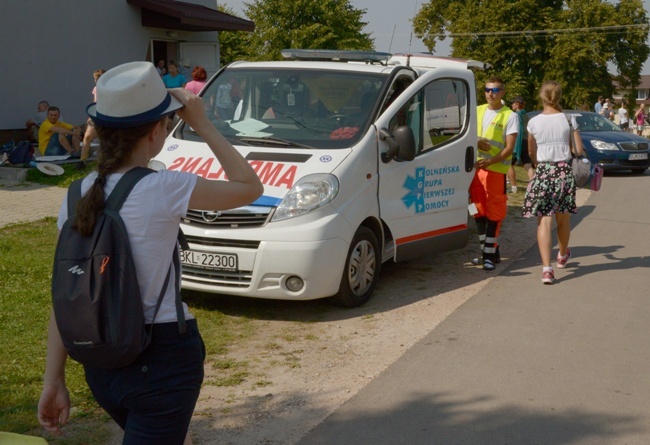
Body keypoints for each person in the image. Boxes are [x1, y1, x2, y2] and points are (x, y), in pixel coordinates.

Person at [37, 61, 263, 444]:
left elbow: (68, 294)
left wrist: (53, 379)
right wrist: (202, 123)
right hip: (162, 362)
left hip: (100, 365)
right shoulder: (165, 187)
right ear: (156, 132)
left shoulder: (75, 196)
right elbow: (248, 186)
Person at [522, 80, 584, 285]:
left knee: (544, 220)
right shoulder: (568, 119)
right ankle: (562, 255)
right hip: (564, 171)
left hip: (543, 171)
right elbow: (578, 150)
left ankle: (547, 270)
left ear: (541, 96)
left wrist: (537, 164)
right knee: (563, 220)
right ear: (559, 96)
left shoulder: (533, 122)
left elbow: (531, 151)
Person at [470, 76, 519, 271]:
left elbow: (509, 149)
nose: (490, 93)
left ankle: (488, 255)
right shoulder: (477, 110)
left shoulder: (510, 115)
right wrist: (475, 141)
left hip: (495, 171)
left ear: (503, 93)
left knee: (494, 213)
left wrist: (490, 161)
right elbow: (464, 135)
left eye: (495, 90)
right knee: (476, 210)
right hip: (475, 170)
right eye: (487, 89)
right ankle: (488, 252)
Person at [78, 68, 106, 170]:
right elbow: (95, 102)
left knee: (105, 139)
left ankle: (105, 161)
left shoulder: (109, 89)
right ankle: (82, 160)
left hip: (105, 115)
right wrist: (91, 115)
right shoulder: (96, 88)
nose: (96, 80)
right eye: (96, 79)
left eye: (98, 78)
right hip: (96, 115)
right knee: (87, 137)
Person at [507, 96, 533, 193]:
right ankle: (533, 186)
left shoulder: (514, 115)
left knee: (509, 164)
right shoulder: (526, 115)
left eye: (513, 103)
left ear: (517, 104)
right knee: (527, 164)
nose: (511, 105)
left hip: (516, 142)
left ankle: (513, 187)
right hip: (526, 141)